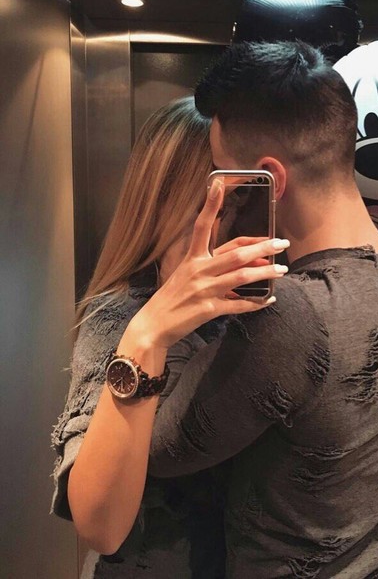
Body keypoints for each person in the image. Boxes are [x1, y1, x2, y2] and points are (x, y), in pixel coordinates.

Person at [50, 96, 288, 578]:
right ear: (165, 201)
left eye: (245, 200)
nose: (226, 221)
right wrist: (147, 337)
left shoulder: (271, 307)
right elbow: (100, 527)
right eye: (215, 202)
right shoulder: (121, 317)